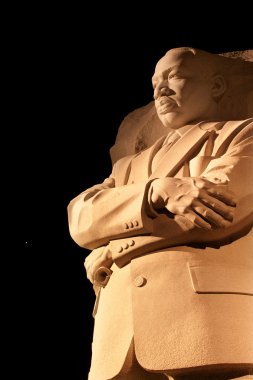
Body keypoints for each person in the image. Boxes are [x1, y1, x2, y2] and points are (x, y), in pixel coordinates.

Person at [68, 47, 253, 380]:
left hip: (207, 327)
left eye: (174, 76)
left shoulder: (242, 134)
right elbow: (81, 218)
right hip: (117, 337)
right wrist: (156, 192)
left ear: (217, 86)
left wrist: (109, 249)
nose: (160, 89)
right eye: (154, 81)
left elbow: (218, 210)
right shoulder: (128, 167)